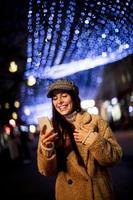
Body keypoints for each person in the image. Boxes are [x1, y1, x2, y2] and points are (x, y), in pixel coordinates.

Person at [37, 79, 122, 200]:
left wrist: (93, 141)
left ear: (74, 97)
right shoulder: (51, 129)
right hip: (69, 194)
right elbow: (46, 171)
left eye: (64, 96)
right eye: (55, 98)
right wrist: (47, 148)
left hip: (98, 193)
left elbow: (115, 158)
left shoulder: (95, 121)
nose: (59, 101)